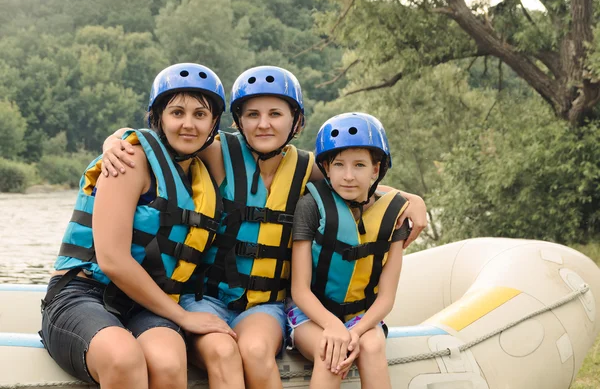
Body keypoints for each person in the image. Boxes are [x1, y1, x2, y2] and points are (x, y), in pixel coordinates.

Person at [101, 66, 427, 389]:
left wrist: (411, 198)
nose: (264, 124)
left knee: (256, 352)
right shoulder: (215, 153)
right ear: (238, 121)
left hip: (264, 305)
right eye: (253, 114)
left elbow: (352, 183)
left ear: (295, 121)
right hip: (203, 298)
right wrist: (114, 139)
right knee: (220, 350)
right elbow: (161, 143)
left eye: (275, 113)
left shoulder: (307, 168)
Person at [39, 63, 237, 389]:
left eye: (200, 115)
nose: (188, 124)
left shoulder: (203, 169)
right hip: (83, 294)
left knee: (170, 363)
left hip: (148, 303)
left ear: (214, 123)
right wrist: (185, 317)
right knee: (124, 358)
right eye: (177, 112)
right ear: (158, 117)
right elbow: (113, 259)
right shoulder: (128, 158)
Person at [287, 112, 408, 389]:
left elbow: (386, 297)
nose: (349, 176)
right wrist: (334, 327)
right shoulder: (310, 207)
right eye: (339, 165)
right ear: (327, 168)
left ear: (375, 170)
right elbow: (300, 290)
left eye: (360, 165)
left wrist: (357, 331)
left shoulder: (396, 217)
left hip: (362, 315)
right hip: (311, 314)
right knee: (332, 351)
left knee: (373, 346)